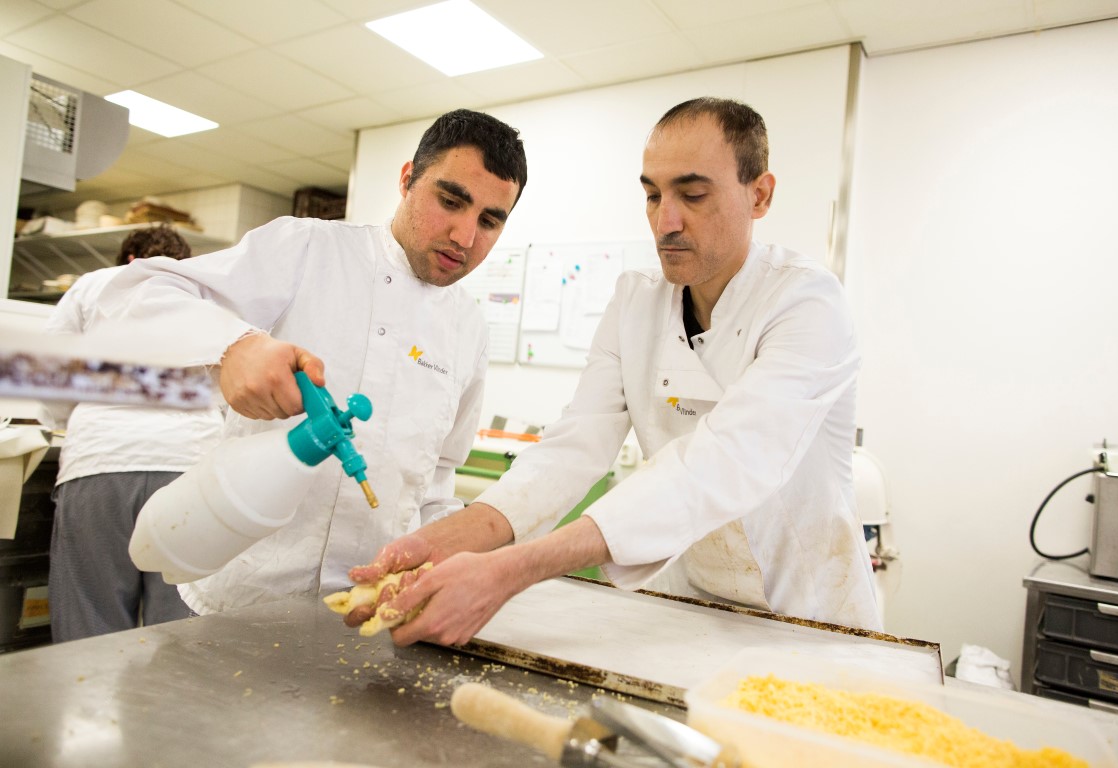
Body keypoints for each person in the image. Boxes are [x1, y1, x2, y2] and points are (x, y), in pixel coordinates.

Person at [346, 97, 882, 645]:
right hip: (691, 608)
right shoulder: (635, 303)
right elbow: (573, 448)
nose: (664, 221)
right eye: (652, 195)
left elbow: (724, 462)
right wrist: (450, 539)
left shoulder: (806, 302)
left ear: (759, 194)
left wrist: (512, 569)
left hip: (812, 616)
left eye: (693, 195)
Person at [93, 109, 528, 616]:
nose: (464, 236)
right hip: (240, 597)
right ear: (408, 179)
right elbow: (132, 292)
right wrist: (233, 346)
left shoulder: (469, 329)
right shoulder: (306, 250)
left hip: (363, 608)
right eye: (450, 201)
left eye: (490, 220)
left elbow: (437, 477)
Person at [45, 223, 224, 641]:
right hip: (189, 467)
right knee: (179, 624)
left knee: (89, 623)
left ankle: (85, 705)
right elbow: (229, 388)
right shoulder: (203, 292)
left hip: (100, 459)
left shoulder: (93, 285)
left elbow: (51, 370)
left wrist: (65, 424)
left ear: (128, 259)